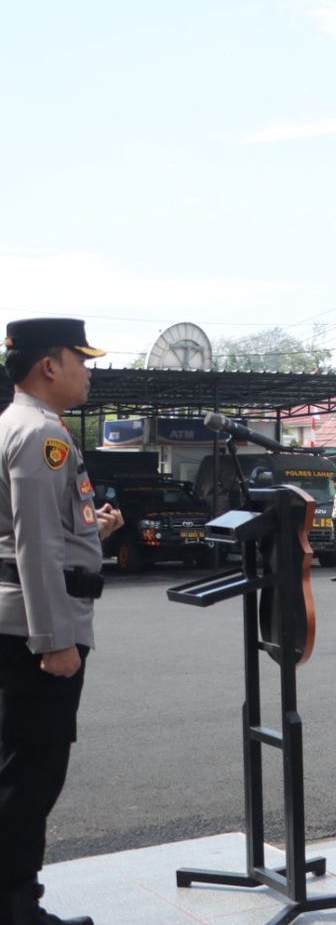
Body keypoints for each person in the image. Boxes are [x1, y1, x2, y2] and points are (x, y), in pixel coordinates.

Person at [1, 317, 119, 925]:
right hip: (36, 630)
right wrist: (55, 642)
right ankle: (17, 909)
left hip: (20, 622)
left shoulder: (13, 426)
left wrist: (92, 530)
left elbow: (33, 531)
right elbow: (36, 546)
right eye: (81, 358)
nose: (88, 370)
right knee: (31, 775)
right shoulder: (40, 434)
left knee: (19, 767)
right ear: (50, 364)